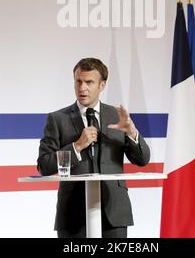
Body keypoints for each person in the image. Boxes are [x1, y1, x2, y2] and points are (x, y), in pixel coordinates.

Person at [37, 57, 150, 238]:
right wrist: (77, 146)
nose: (82, 88)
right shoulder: (57, 119)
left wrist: (131, 132)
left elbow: (143, 160)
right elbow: (44, 165)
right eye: (78, 81)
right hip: (73, 214)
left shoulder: (117, 116)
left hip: (114, 212)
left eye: (89, 82)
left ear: (102, 85)